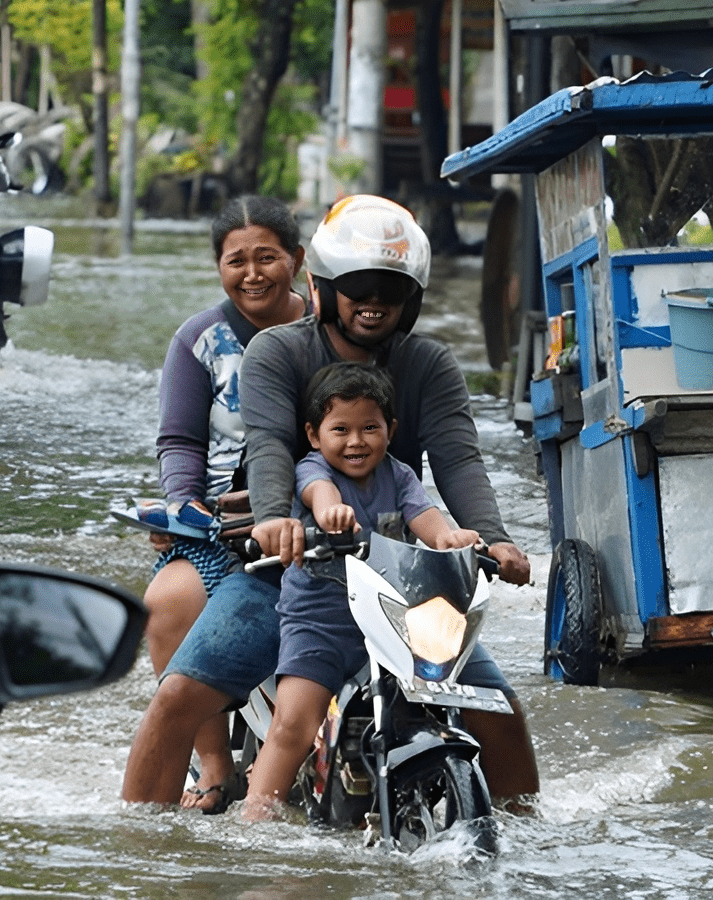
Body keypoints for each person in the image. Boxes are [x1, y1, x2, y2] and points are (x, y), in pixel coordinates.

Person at [121, 195, 540, 811]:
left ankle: (523, 832)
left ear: (412, 299)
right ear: (322, 287)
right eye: (357, 289)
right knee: (177, 698)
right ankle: (139, 837)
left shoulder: (429, 363)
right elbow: (268, 445)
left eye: (390, 292)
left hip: (398, 577)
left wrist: (492, 537)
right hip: (290, 572)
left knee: (497, 708)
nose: (374, 304)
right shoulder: (276, 352)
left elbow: (458, 459)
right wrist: (274, 521)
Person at [241, 362, 482, 819]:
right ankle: (256, 816)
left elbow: (426, 519)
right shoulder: (312, 469)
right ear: (314, 435)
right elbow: (319, 494)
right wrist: (331, 514)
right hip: (321, 622)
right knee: (294, 723)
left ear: (391, 430)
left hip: (393, 618)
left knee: (453, 699)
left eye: (370, 428)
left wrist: (450, 540)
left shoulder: (400, 475)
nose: (356, 441)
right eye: (341, 429)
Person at [145, 196, 309, 813]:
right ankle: (214, 763)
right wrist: (182, 506)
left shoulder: (327, 328)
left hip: (314, 513)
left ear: (297, 260)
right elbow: (180, 440)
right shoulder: (199, 339)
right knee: (169, 602)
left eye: (267, 257)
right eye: (236, 261)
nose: (252, 273)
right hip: (220, 523)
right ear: (218, 267)